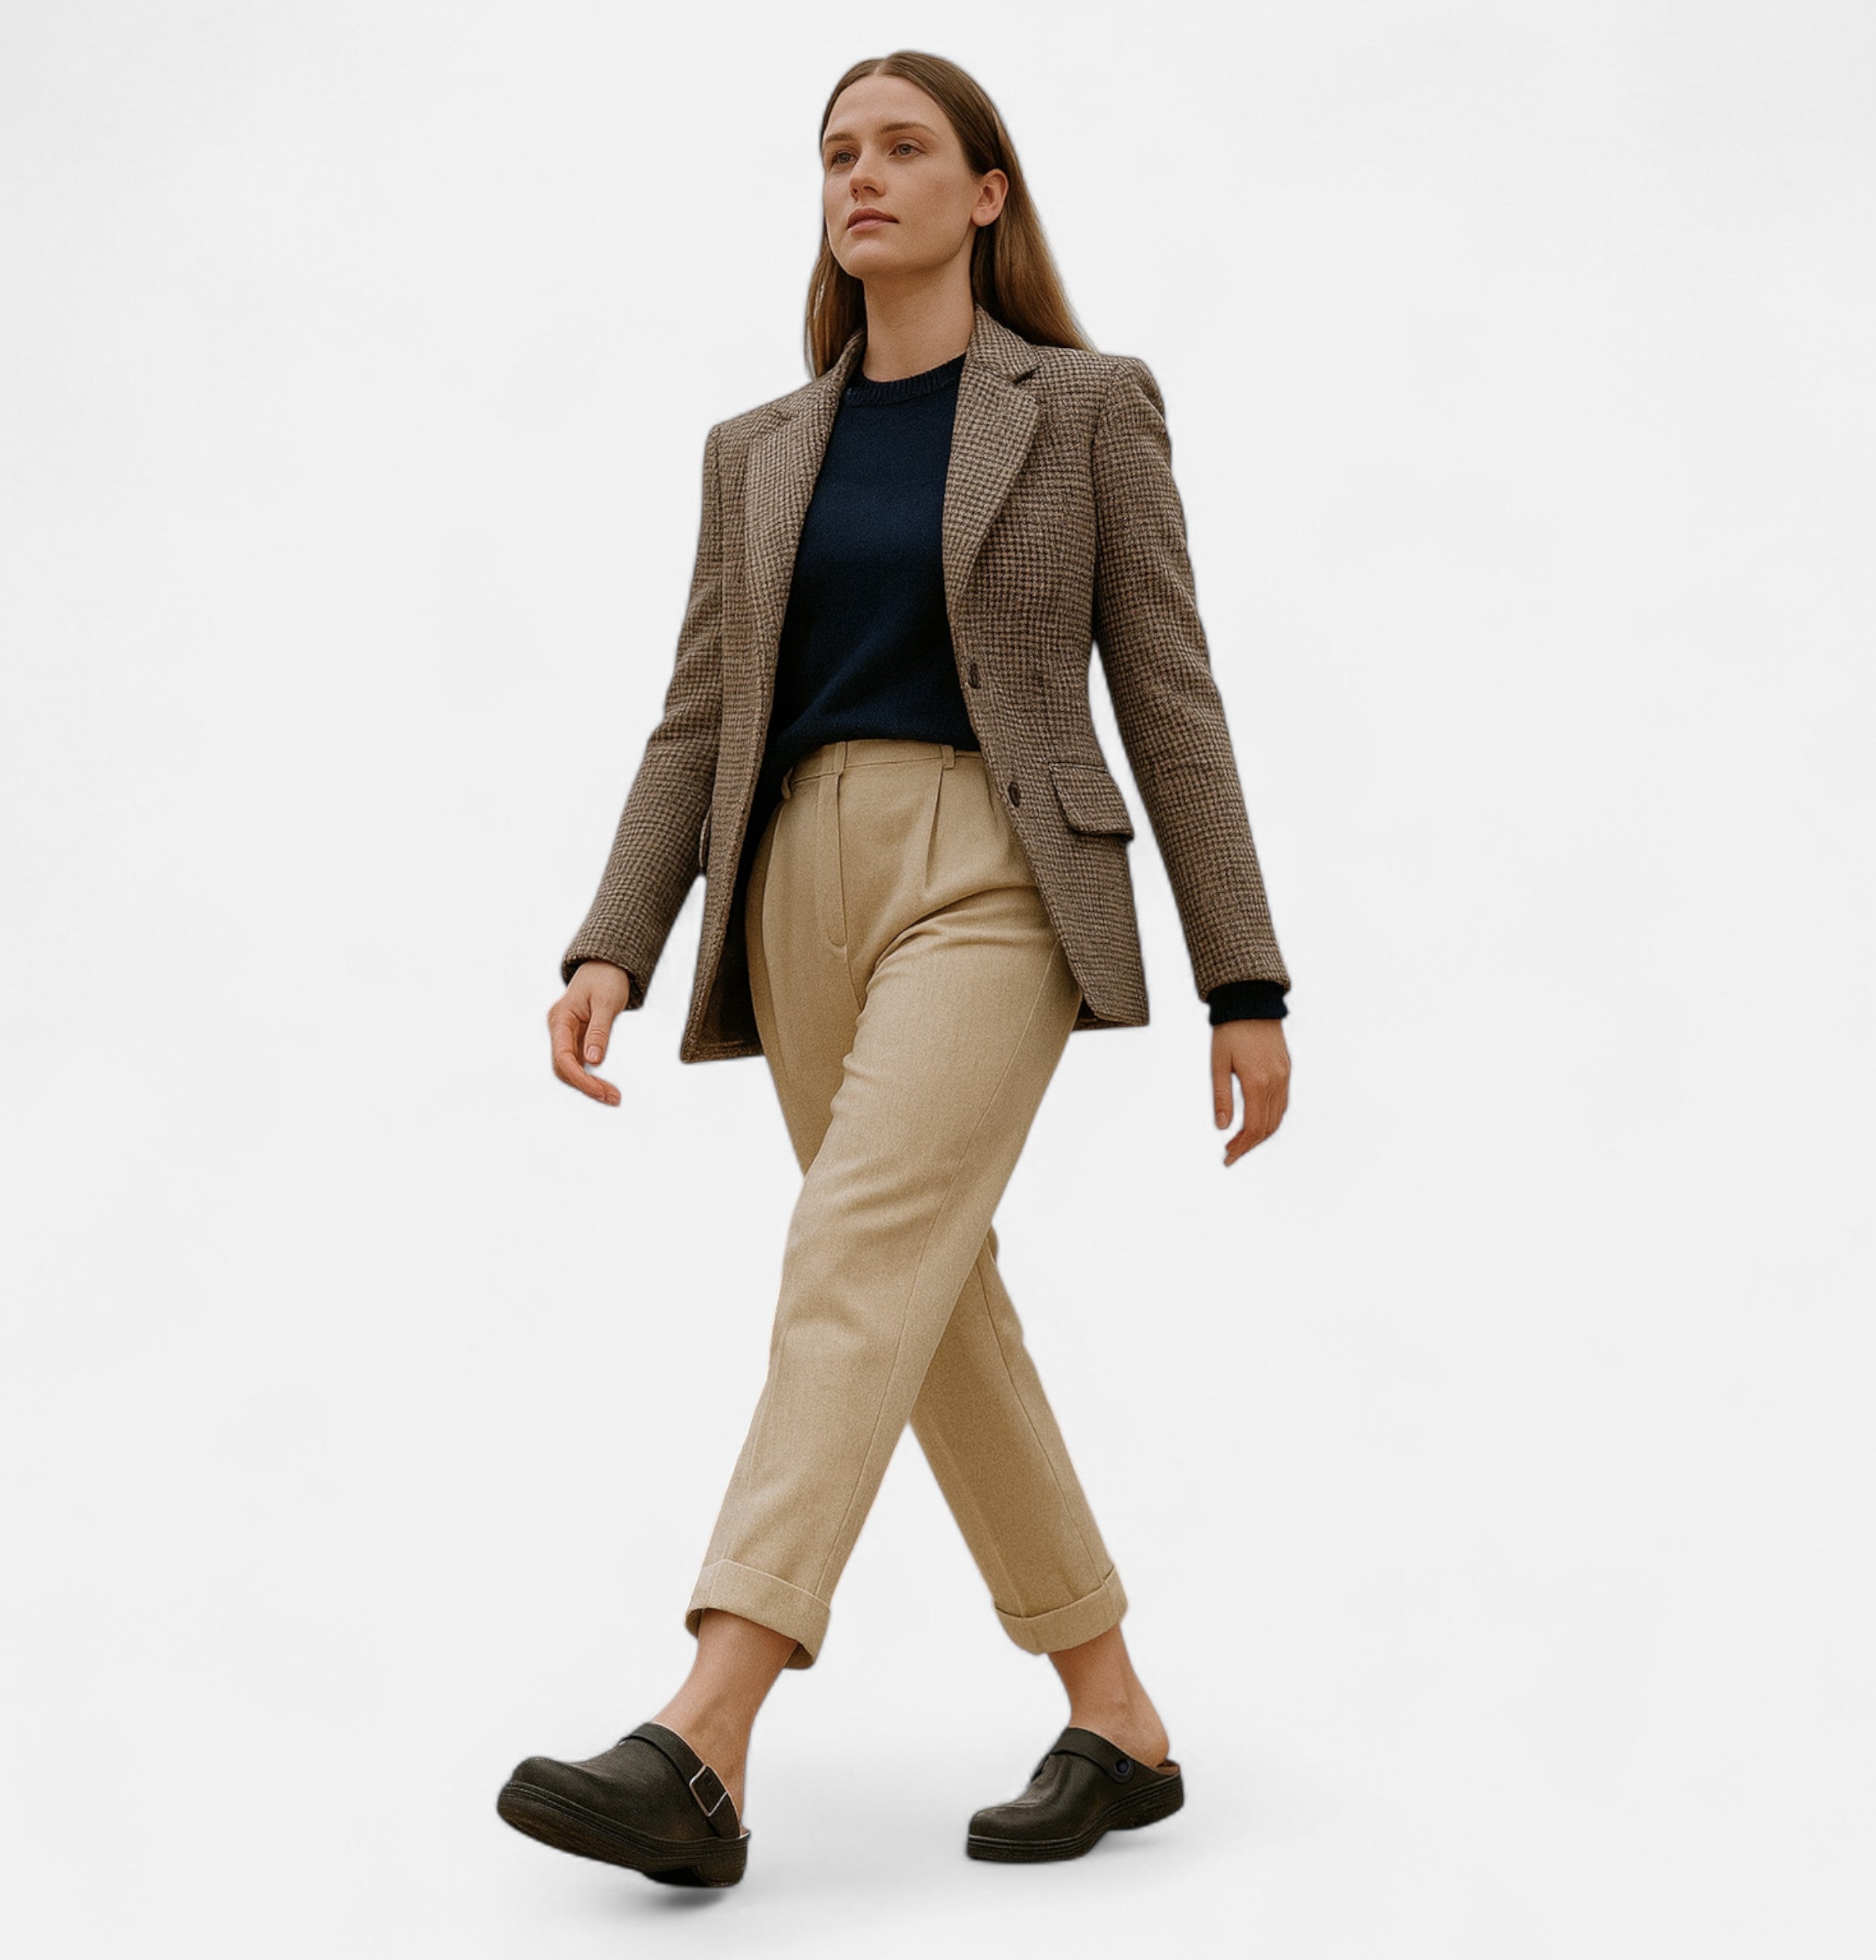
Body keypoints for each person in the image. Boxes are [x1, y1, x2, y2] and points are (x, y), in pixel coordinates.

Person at [497, 49, 1293, 1888]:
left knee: (853, 1254)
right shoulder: (759, 449)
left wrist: (1242, 977)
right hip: (790, 881)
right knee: (925, 1292)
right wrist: (615, 933)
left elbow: (1165, 693)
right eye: (837, 151)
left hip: (997, 869)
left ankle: (707, 1719)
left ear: (984, 193)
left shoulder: (1086, 408)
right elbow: (698, 715)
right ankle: (1117, 1711)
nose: (862, 176)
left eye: (904, 148)